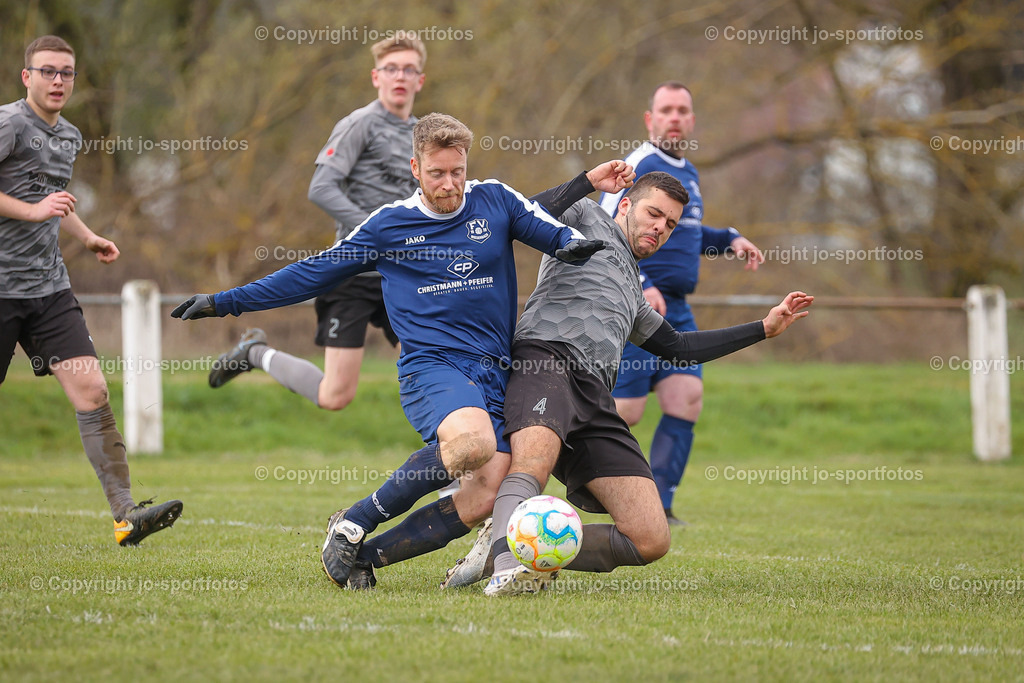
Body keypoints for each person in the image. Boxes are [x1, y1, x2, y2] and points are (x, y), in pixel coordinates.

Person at [171, 113, 627, 589]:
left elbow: (549, 230)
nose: (450, 184)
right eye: (437, 173)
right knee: (473, 445)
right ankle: (354, 521)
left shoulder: (494, 198)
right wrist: (226, 302)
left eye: (457, 171)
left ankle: (364, 558)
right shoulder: (390, 226)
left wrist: (574, 245)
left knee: (488, 489)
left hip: (494, 370)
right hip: (433, 367)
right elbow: (312, 272)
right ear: (415, 168)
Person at [452, 171, 812, 595]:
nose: (660, 227)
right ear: (625, 205)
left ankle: (513, 538)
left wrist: (762, 329)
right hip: (544, 360)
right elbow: (520, 211)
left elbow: (680, 346)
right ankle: (508, 564)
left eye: (671, 223)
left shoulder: (635, 295)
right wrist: (587, 181)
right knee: (532, 466)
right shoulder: (584, 217)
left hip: (595, 397)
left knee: (650, 538)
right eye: (654, 213)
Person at [0, 36, 183, 545]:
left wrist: (86, 235)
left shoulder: (71, 136)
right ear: (26, 76)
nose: (58, 81)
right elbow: (34, 204)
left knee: (93, 390)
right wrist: (35, 211)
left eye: (67, 73)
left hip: (48, 289)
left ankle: (127, 515)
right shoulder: (10, 123)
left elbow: (50, 199)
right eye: (48, 72)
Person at [206, 35, 426, 413]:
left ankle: (459, 460)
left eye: (408, 69)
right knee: (335, 396)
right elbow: (321, 187)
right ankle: (256, 353)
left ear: (420, 80)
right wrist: (374, 231)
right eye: (391, 69)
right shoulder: (360, 124)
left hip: (404, 274)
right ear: (376, 77)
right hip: (353, 274)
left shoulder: (424, 134)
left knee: (431, 367)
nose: (399, 77)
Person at [599, 82, 765, 526]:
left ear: (691, 121)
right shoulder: (638, 165)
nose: (674, 117)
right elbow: (605, 226)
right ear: (649, 119)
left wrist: (729, 239)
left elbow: (687, 234)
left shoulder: (686, 172)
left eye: (682, 110)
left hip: (677, 305)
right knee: (626, 411)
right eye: (665, 110)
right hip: (634, 298)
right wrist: (638, 279)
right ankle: (552, 469)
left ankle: (662, 506)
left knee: (686, 397)